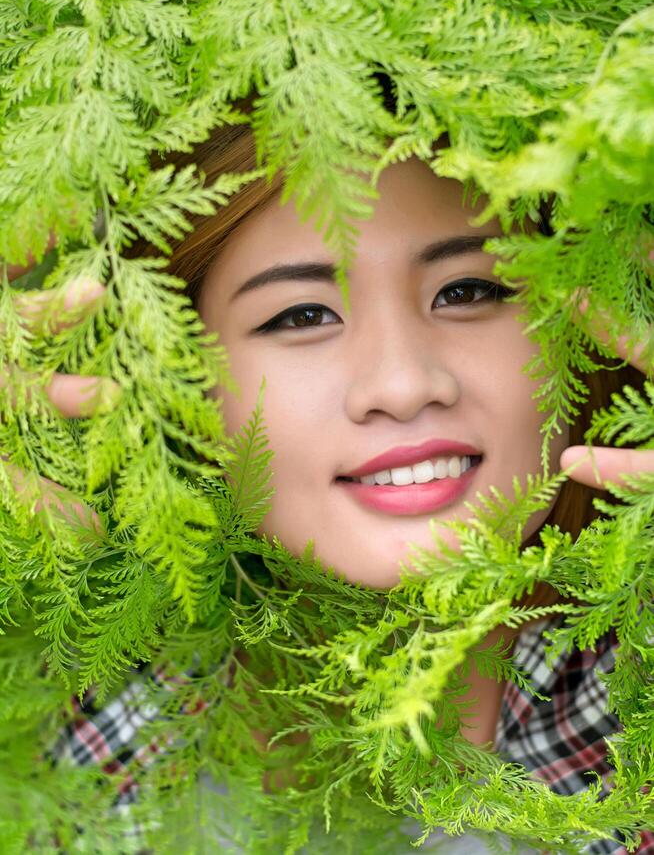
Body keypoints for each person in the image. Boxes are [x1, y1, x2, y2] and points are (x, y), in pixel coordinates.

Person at [5, 115, 652, 853]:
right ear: (178, 386)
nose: (405, 384)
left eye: (468, 291)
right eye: (303, 314)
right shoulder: (89, 743)